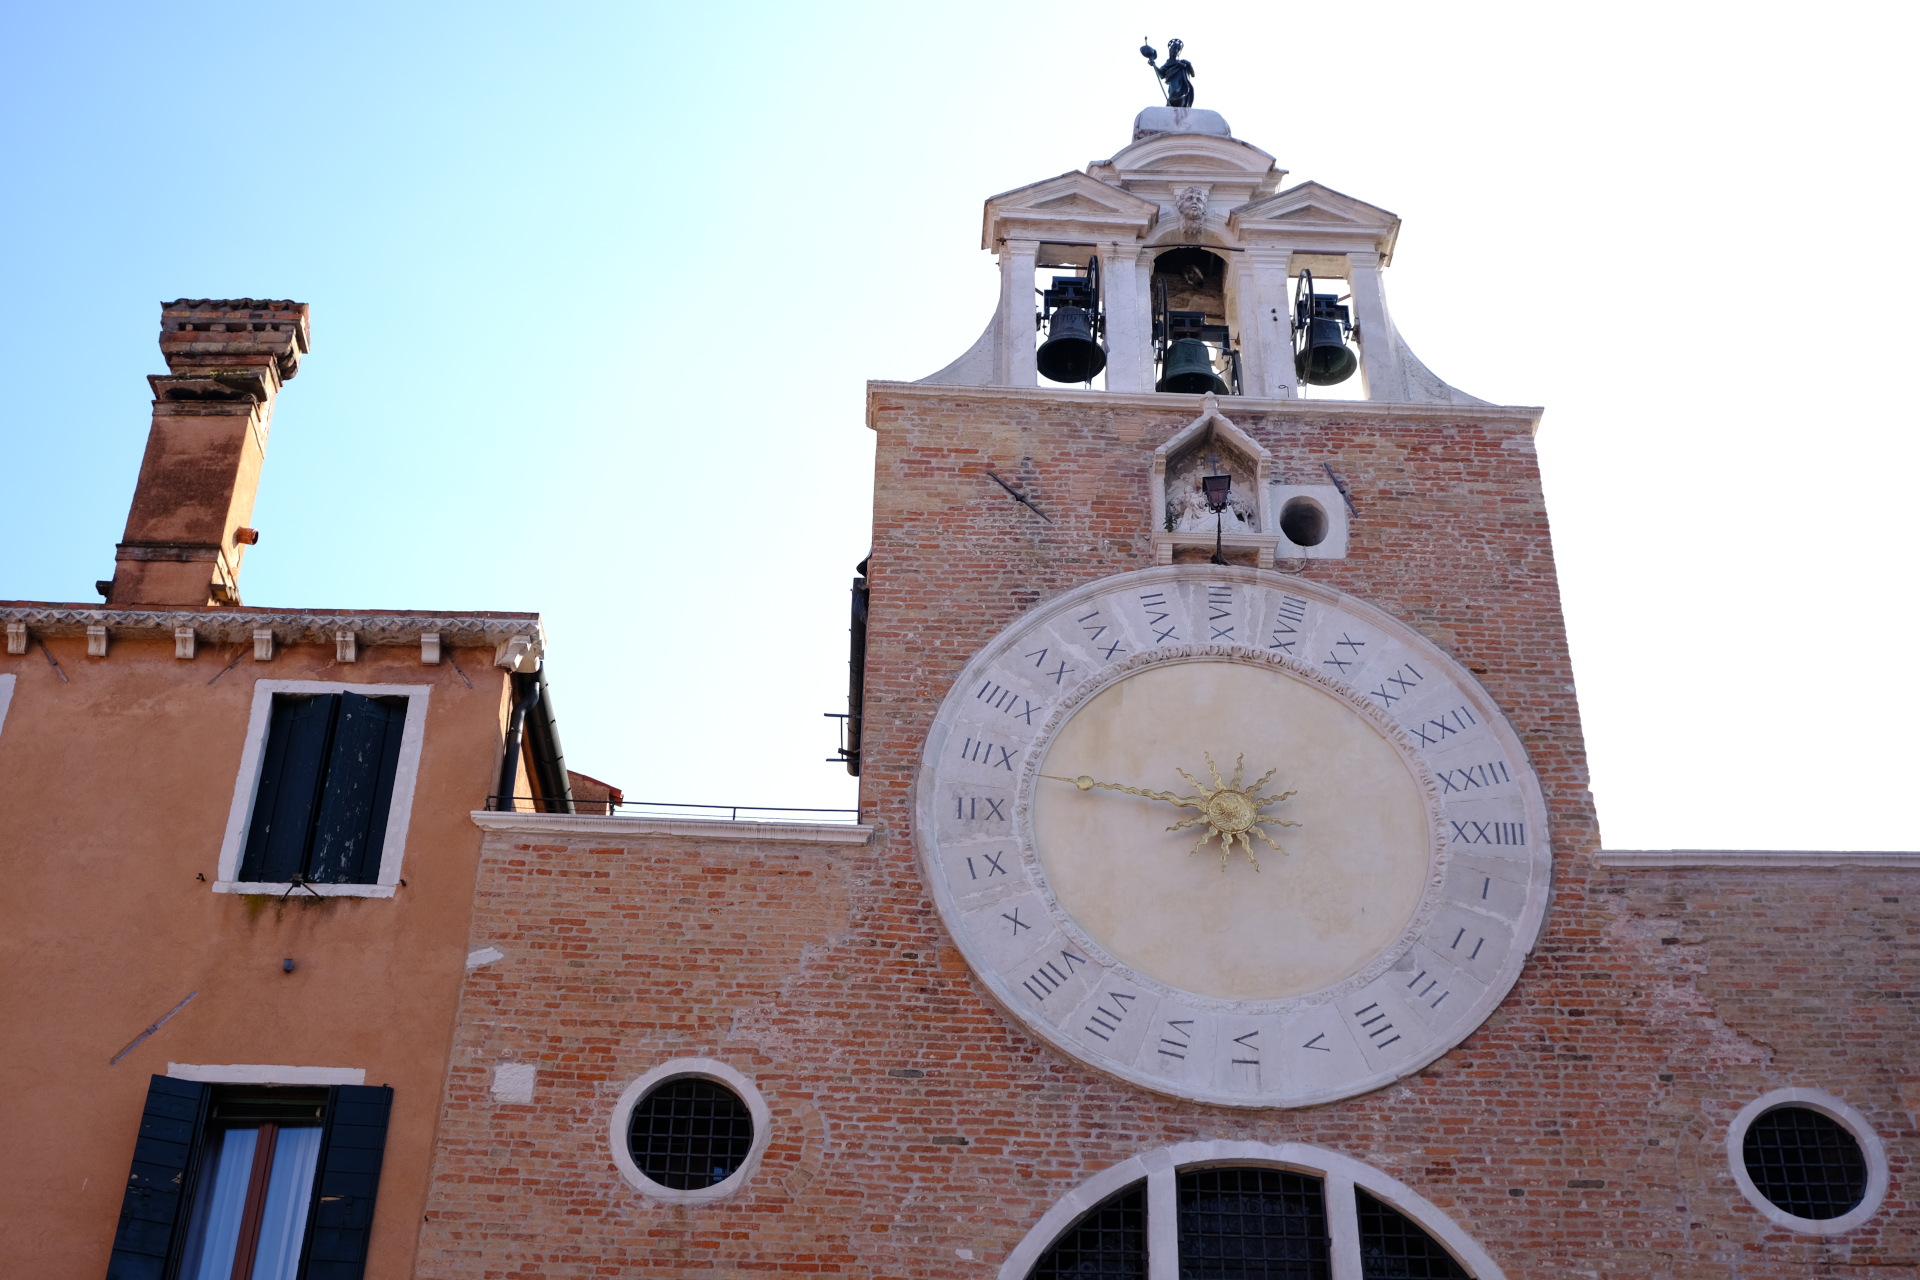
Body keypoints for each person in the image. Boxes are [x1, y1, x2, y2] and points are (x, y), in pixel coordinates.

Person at [1156, 38, 1195, 108]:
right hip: (1173, 87)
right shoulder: (1168, 63)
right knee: (1173, 95)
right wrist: (1154, 65)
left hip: (1183, 87)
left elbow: (1193, 74)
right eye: (1174, 48)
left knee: (1182, 101)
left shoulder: (1183, 62)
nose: (1175, 50)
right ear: (1170, 50)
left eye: (1178, 49)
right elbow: (1161, 74)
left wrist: (1189, 65)